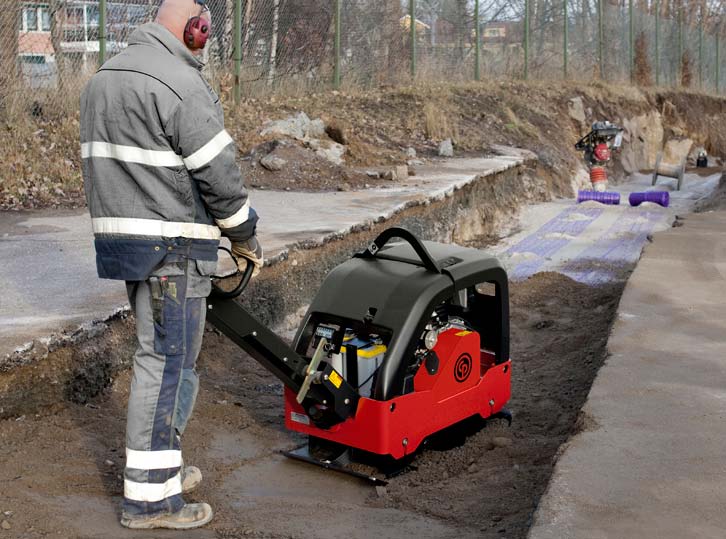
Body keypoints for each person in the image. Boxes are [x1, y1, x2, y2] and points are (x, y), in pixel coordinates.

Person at [80, 0, 261, 530]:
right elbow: (219, 174)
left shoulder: (103, 79)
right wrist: (245, 234)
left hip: (133, 246)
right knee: (163, 364)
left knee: (170, 362)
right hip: (174, 248)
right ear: (195, 29)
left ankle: (163, 471)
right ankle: (150, 502)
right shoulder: (179, 83)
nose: (206, 39)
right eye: (205, 30)